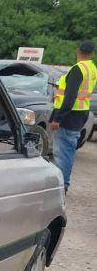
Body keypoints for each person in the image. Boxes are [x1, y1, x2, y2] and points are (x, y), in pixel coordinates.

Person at [51, 40, 97, 192]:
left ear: (78, 51)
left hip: (69, 116)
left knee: (62, 153)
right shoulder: (92, 68)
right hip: (81, 113)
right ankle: (63, 185)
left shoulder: (78, 69)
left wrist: (58, 118)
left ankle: (61, 187)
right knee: (68, 151)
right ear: (91, 53)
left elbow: (70, 96)